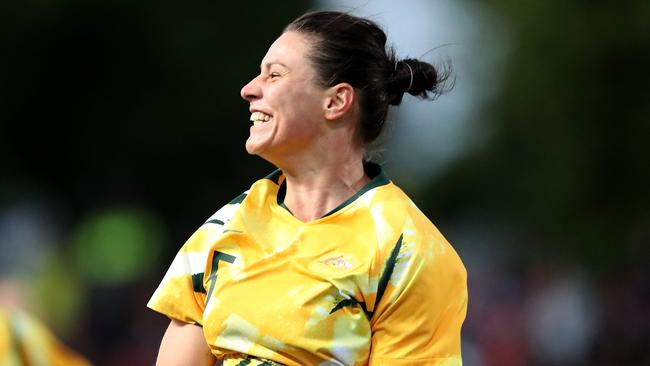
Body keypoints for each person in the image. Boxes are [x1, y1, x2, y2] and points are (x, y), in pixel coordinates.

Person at [148, 10, 467, 366]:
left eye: (274, 75)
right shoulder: (221, 231)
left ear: (336, 101)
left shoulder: (410, 252)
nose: (249, 89)